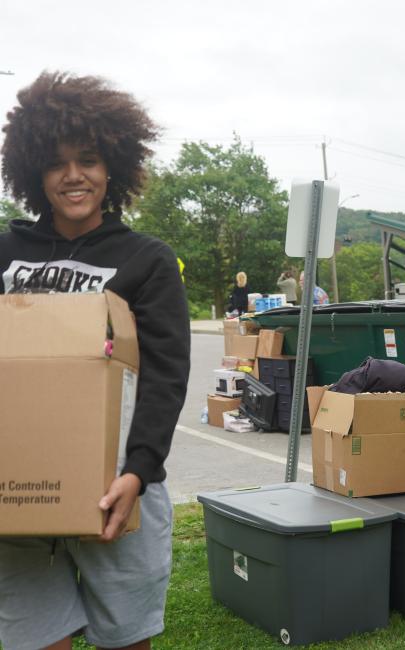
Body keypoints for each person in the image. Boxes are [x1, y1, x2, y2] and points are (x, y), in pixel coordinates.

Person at [0, 71, 191, 650]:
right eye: (57, 163)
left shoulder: (146, 260)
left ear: (113, 167)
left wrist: (138, 470)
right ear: (36, 172)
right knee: (34, 639)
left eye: (87, 159)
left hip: (119, 485)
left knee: (126, 641)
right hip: (20, 484)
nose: (73, 175)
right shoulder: (7, 253)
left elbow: (164, 375)